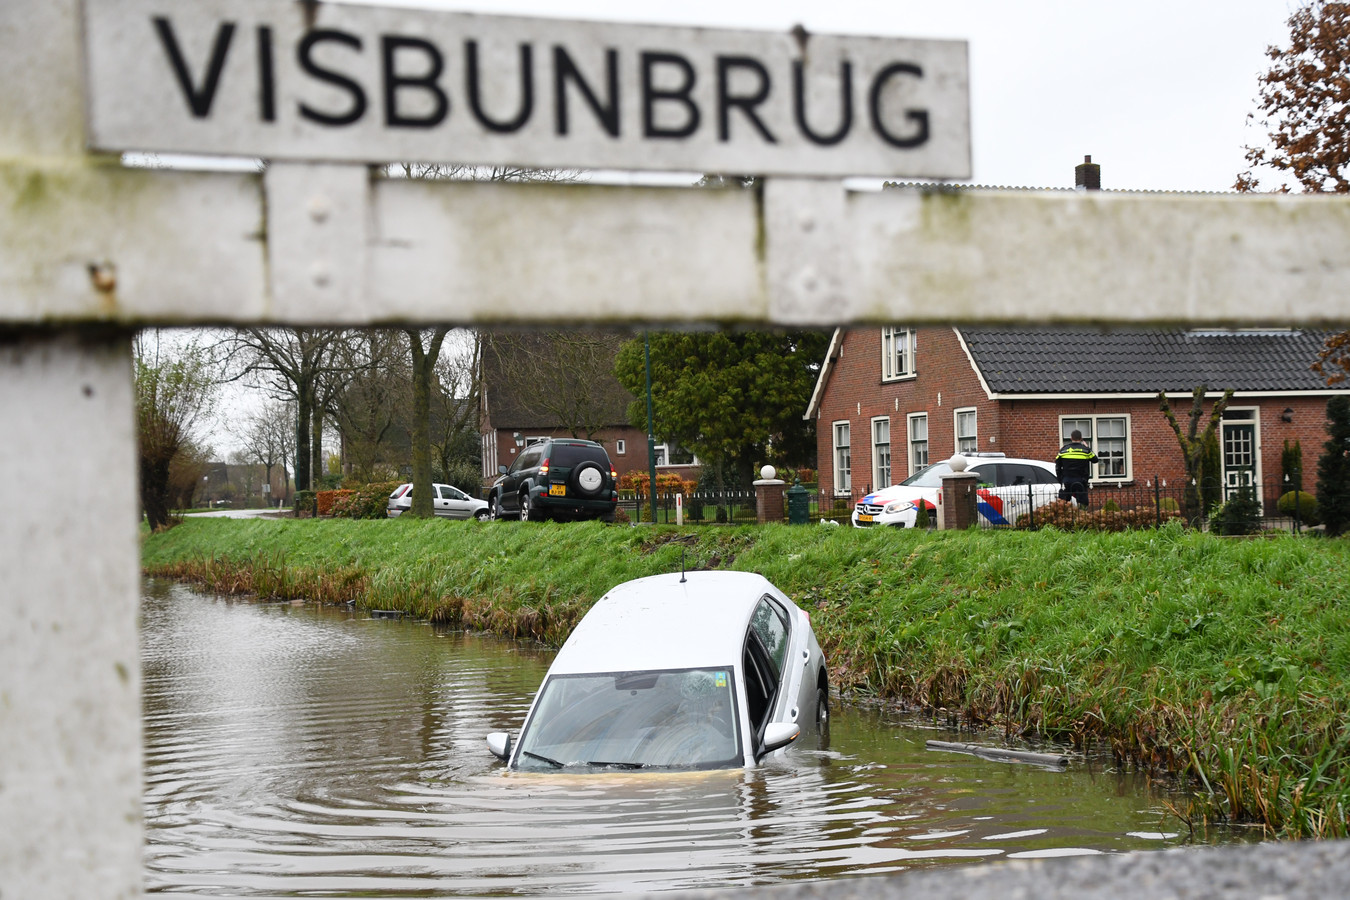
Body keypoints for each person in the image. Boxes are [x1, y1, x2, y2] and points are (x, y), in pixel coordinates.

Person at [1055, 430, 1097, 507]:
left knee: (1063, 504)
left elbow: (1057, 466)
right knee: (1083, 503)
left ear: (1071, 438)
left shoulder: (1063, 450)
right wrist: (1088, 448)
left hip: (1066, 480)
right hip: (1081, 480)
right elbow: (1095, 460)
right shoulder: (1086, 450)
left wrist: (1061, 480)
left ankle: (1064, 517)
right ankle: (1082, 517)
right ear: (1081, 438)